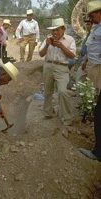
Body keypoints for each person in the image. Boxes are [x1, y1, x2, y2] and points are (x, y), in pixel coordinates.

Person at [39, 18, 76, 126]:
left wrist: (61, 46)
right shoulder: (48, 39)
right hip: (48, 66)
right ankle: (48, 112)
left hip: (62, 67)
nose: (54, 32)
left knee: (63, 91)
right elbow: (41, 54)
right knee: (47, 91)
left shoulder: (70, 40)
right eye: (53, 30)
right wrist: (46, 45)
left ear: (63, 29)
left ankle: (67, 117)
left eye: (57, 30)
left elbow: (73, 56)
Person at [79, 1, 101, 161]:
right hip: (96, 67)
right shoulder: (97, 28)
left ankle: (98, 152)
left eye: (92, 15)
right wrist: (87, 59)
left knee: (99, 112)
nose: (90, 18)